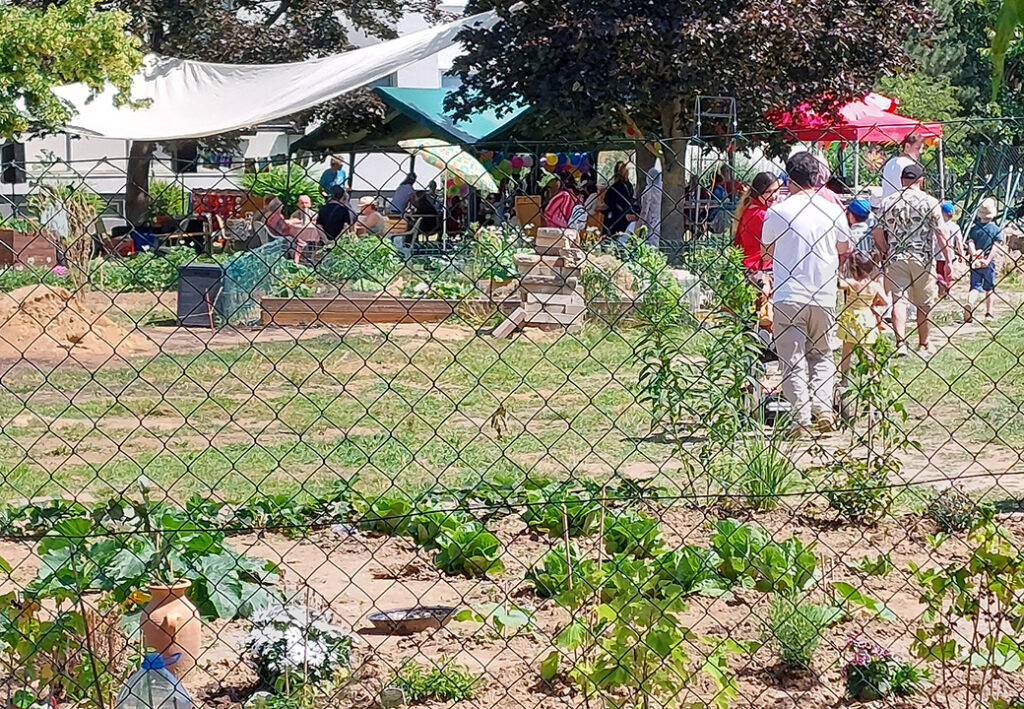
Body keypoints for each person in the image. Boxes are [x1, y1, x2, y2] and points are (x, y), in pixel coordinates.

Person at [761, 151, 851, 434]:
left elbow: (766, 247)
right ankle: (823, 408)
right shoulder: (832, 210)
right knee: (822, 354)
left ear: (789, 179)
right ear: (817, 178)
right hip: (823, 292)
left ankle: (800, 418)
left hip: (789, 293)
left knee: (792, 357)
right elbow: (844, 248)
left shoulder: (779, 210)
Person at [874, 163, 950, 357]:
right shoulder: (929, 202)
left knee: (898, 300)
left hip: (896, 256)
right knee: (924, 302)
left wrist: (885, 250)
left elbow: (877, 232)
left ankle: (900, 343)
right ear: (921, 181)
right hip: (922, 257)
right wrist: (948, 259)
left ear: (901, 181)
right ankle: (924, 342)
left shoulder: (888, 201)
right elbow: (941, 232)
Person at [837, 251, 888, 375]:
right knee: (868, 352)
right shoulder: (874, 286)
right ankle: (874, 377)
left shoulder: (851, 283)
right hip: (867, 319)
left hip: (850, 319)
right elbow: (885, 301)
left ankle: (844, 378)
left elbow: (838, 283)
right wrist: (873, 303)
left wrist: (840, 266)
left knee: (846, 351)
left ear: (854, 269)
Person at [734, 172, 781, 273]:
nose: (774, 196)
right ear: (758, 192)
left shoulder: (751, 209)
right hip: (760, 267)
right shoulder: (761, 215)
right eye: (768, 192)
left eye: (776, 190)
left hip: (751, 265)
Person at [965, 197, 1003, 322]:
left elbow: (970, 242)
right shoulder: (995, 230)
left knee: (975, 286)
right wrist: (987, 260)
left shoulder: (974, 229)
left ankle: (970, 303)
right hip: (988, 262)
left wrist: (974, 254)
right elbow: (995, 246)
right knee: (989, 288)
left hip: (976, 261)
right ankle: (989, 313)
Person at [937, 201, 964, 298]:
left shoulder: (938, 226)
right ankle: (947, 291)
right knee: (948, 273)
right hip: (951, 254)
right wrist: (961, 254)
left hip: (938, 254)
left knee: (938, 272)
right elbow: (959, 242)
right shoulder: (955, 227)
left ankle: (940, 282)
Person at [604, 161, 637, 237]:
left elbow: (607, 201)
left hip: (616, 217)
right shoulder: (629, 186)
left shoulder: (614, 187)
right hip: (626, 214)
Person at [639, 166, 664, 246]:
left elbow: (644, 212)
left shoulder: (647, 192)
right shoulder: (663, 189)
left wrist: (639, 225)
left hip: (651, 222)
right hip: (662, 220)